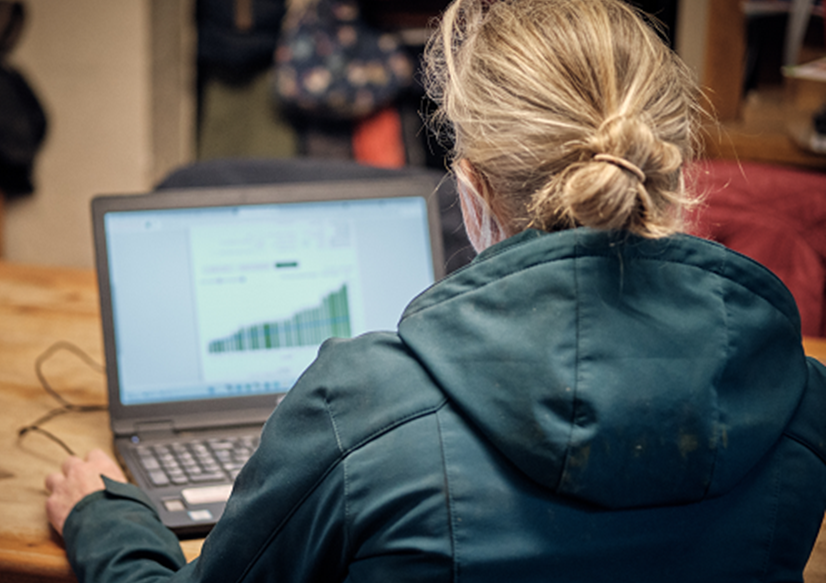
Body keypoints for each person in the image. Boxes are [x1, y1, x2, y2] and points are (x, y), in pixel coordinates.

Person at [45, 0, 826, 581]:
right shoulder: (797, 395)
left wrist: (110, 523)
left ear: (473, 193)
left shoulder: (360, 409)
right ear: (672, 174)